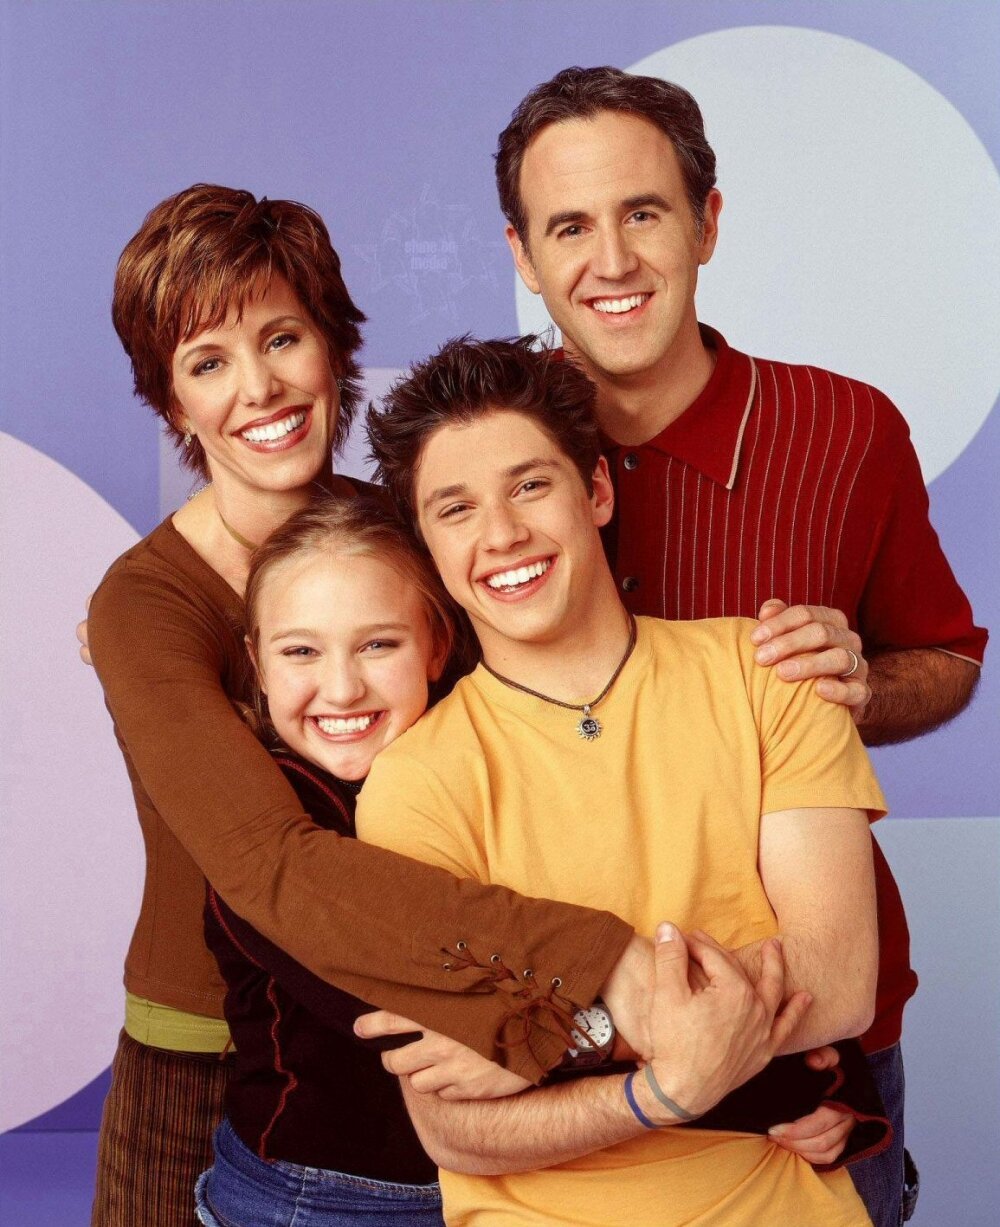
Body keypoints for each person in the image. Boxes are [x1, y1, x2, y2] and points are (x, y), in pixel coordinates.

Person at [86, 184, 658, 1227]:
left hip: (450, 1024)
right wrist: (600, 971)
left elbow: (535, 721)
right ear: (171, 403)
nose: (259, 387)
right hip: (209, 1062)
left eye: (282, 338)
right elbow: (270, 864)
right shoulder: (146, 605)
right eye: (208, 364)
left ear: (334, 346)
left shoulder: (408, 531)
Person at [491, 64, 989, 1225]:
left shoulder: (846, 430)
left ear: (706, 223)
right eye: (569, 226)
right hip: (562, 1032)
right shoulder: (479, 446)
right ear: (522, 255)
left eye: (643, 213)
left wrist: (858, 688)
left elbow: (948, 657)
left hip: (817, 1033)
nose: (611, 261)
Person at [361, 335, 886, 1226]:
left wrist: (550, 1036)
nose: (502, 534)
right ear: (427, 547)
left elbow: (835, 979)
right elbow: (454, 1124)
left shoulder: (769, 674)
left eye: (531, 485)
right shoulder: (412, 783)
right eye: (455, 509)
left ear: (596, 490)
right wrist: (663, 1088)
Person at [197, 495, 461, 1225]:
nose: (342, 688)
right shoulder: (260, 811)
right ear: (257, 662)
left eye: (378, 644)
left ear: (436, 645)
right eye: (301, 651)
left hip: (491, 1179)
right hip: (316, 1195)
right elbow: (395, 1009)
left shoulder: (464, 766)